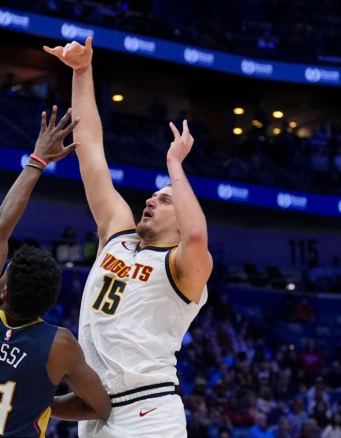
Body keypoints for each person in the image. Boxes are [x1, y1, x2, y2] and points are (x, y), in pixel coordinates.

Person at [44, 37, 212, 438]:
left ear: (180, 220)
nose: (151, 199)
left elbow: (195, 235)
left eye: (165, 200)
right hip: (94, 407)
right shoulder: (118, 235)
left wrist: (175, 165)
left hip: (149, 411)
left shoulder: (183, 267)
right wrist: (82, 72)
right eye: (153, 195)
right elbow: (90, 150)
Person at [0, 108, 111, 438]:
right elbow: (100, 407)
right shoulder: (60, 345)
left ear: (3, 291)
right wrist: (39, 403)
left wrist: (37, 161)